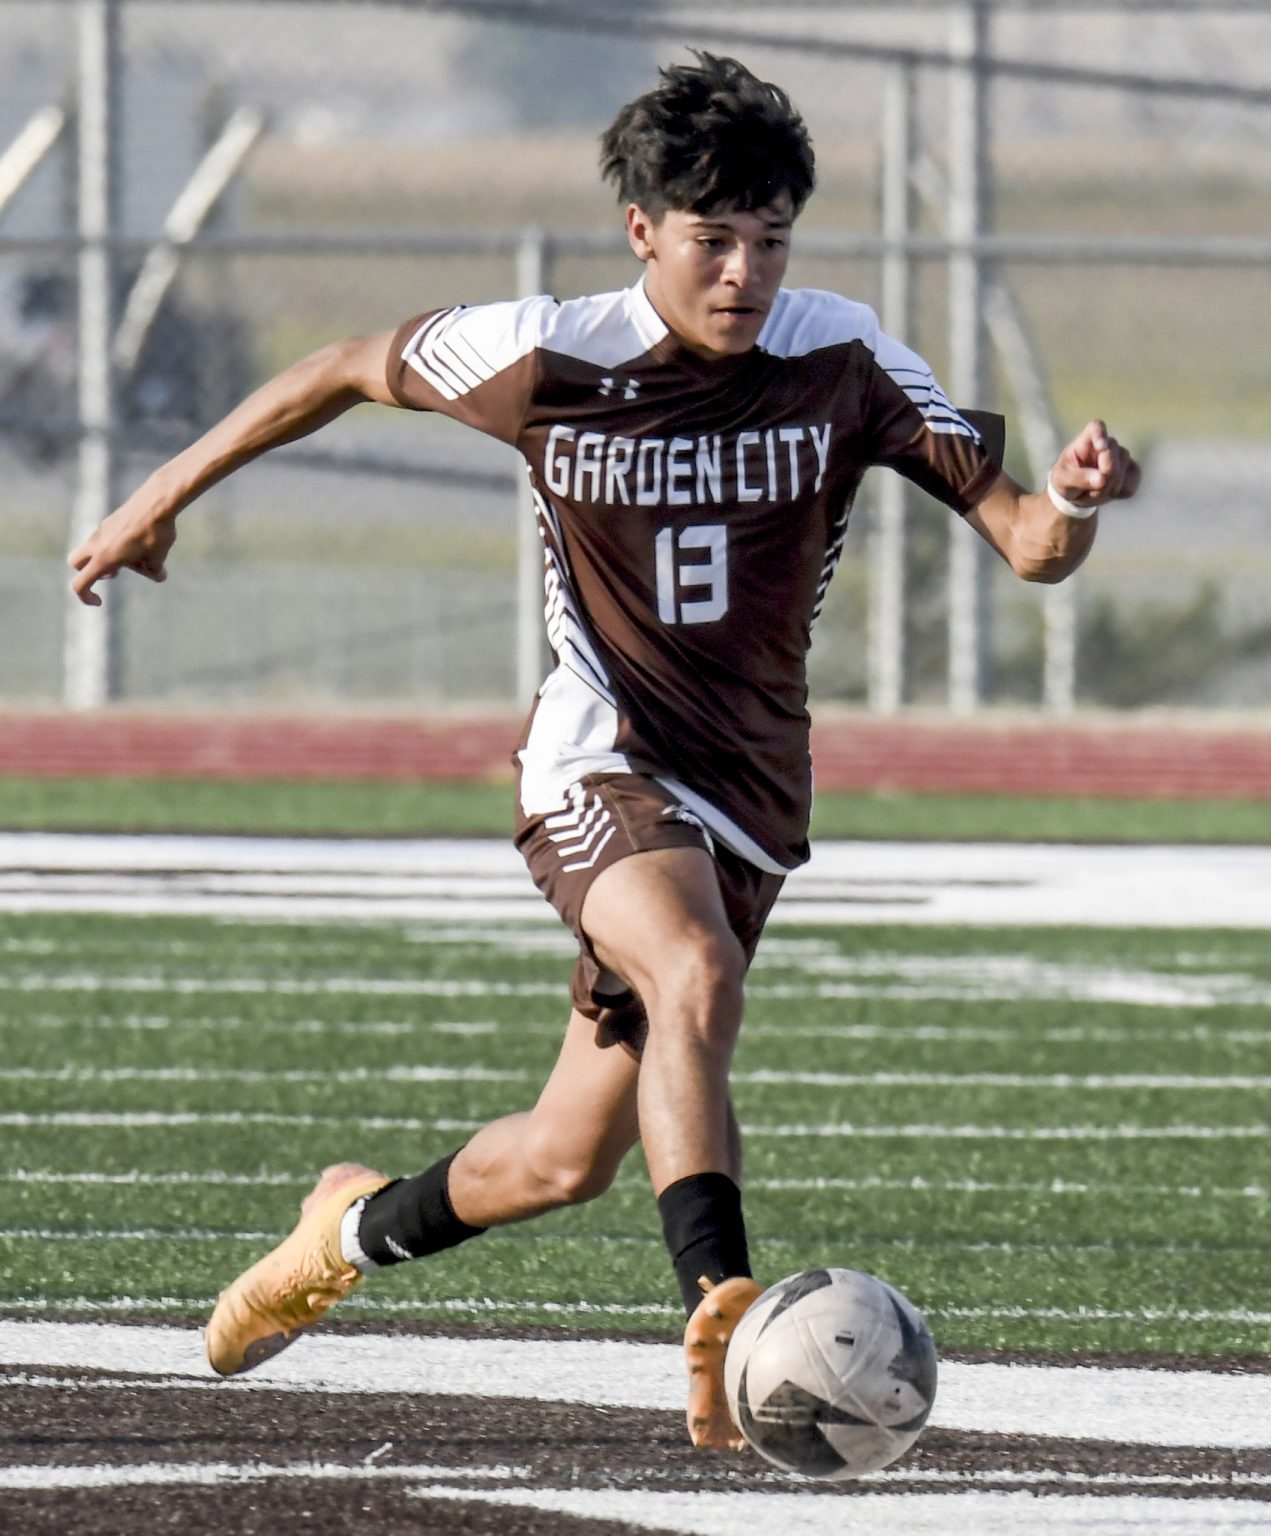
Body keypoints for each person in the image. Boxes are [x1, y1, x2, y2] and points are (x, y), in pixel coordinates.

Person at [68, 52, 1140, 1451]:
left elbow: (1028, 547)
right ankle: (724, 1303)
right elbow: (340, 367)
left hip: (748, 798)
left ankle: (338, 1235)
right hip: (597, 760)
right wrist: (155, 497)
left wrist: (1071, 496)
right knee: (687, 966)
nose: (745, 273)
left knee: (564, 1157)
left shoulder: (843, 357)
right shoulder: (550, 352)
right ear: (643, 230)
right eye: (713, 241)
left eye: (770, 240)